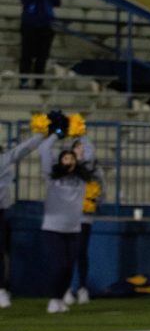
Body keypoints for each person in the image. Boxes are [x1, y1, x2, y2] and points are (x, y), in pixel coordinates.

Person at [40, 114, 93, 314]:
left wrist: (80, 133)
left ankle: (61, 297)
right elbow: (45, 150)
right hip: (53, 228)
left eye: (71, 157)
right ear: (60, 161)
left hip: (73, 228)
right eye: (65, 157)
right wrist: (57, 135)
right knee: (61, 265)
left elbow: (90, 152)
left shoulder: (81, 178)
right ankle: (54, 299)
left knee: (69, 267)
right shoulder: (52, 178)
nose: (68, 160)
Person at [0, 127, 47, 308]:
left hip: (0, 212)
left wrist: (41, 135)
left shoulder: (4, 159)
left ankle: (2, 290)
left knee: (0, 252)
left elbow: (24, 149)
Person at [64, 135, 104, 306]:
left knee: (81, 252)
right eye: (77, 147)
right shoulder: (66, 168)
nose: (80, 150)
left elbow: (101, 191)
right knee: (67, 254)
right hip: (67, 216)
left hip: (84, 216)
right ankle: (65, 288)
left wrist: (94, 200)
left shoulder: (94, 170)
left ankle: (81, 288)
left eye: (83, 147)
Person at [19, 0, 61, 89]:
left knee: (42, 55)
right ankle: (24, 81)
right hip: (30, 24)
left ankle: (39, 82)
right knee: (27, 54)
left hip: (46, 24)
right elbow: (26, 0)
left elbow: (57, 2)